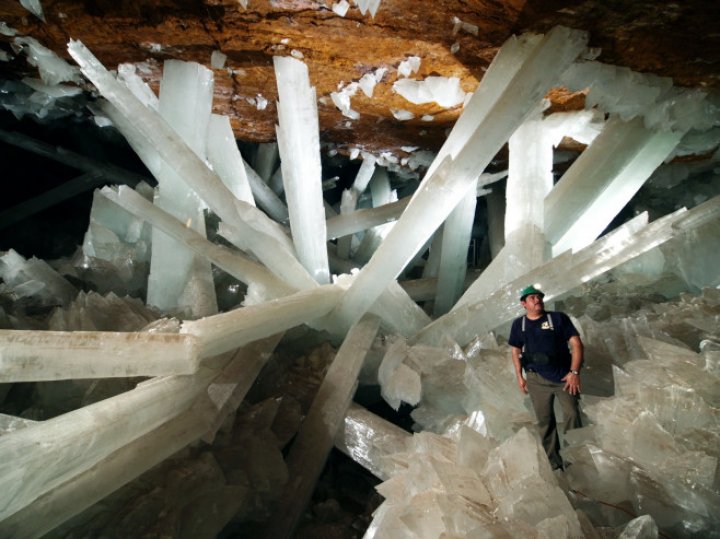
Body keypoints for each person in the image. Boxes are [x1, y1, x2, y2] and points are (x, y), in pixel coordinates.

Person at [508, 285, 583, 470]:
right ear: (523, 304)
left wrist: (574, 373)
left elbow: (576, 344)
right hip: (536, 379)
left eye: (539, 297)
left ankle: (575, 461)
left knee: (573, 414)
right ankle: (554, 464)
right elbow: (515, 350)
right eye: (532, 298)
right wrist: (520, 376)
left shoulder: (557, 319)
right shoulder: (519, 324)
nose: (537, 300)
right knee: (545, 421)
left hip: (563, 378)